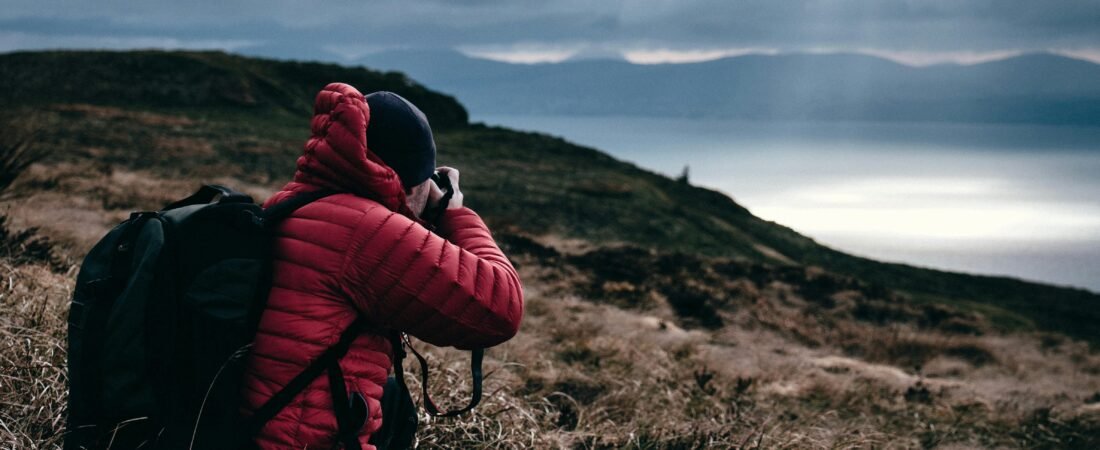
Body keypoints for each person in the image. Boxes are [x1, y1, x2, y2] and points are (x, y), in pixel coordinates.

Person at [240, 83, 524, 449]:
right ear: (409, 180)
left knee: (392, 400)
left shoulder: (294, 199)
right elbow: (501, 308)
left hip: (250, 423)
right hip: (299, 440)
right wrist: (455, 215)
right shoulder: (367, 229)